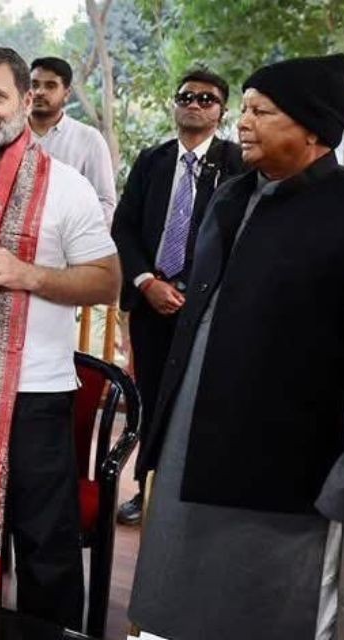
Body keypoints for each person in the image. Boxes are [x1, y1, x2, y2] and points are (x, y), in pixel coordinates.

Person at [127, 54, 344, 640]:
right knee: (189, 623)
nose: (243, 122)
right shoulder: (231, 197)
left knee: (294, 635)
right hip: (196, 451)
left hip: (296, 476)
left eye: (262, 111)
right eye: (246, 109)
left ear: (312, 130)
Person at [0, 47, 120, 630]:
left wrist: (27, 274)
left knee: (45, 553)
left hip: (36, 396)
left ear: (26, 99)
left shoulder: (66, 186)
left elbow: (107, 281)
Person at [111, 68, 244, 525]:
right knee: (151, 400)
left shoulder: (238, 164)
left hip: (205, 311)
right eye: (186, 96)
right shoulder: (153, 160)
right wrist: (147, 282)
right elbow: (125, 226)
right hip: (152, 304)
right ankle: (143, 489)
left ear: (221, 111)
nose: (194, 104)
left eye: (206, 99)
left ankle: (185, 501)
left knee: (196, 405)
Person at [28, 56, 117, 222]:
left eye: (50, 86)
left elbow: (105, 203)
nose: (39, 92)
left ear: (67, 94)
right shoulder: (9, 134)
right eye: (34, 85)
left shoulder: (89, 140)